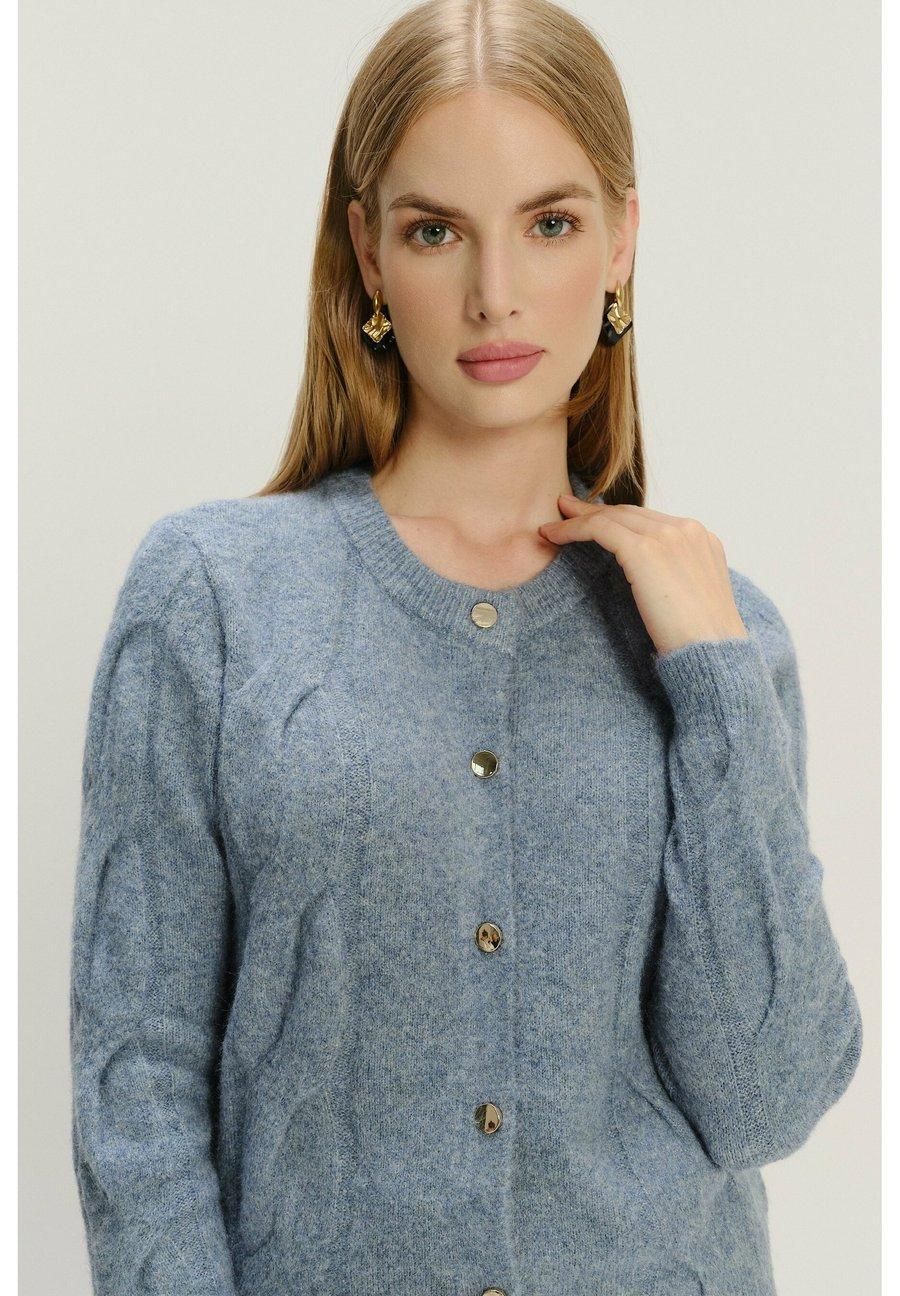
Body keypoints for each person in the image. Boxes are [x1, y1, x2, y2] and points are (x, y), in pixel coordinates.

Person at [68, 1, 863, 1293]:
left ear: (622, 239)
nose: (496, 293)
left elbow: (767, 1097)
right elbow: (136, 1087)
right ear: (368, 255)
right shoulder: (213, 597)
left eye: (551, 224)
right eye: (436, 230)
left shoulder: (723, 632)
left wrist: (716, 679)